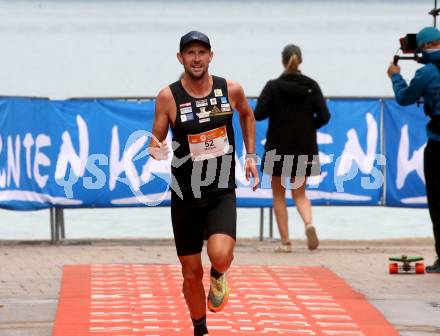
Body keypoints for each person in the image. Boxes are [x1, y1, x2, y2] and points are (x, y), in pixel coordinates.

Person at [149, 31, 259, 336]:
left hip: (221, 190)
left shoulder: (230, 90)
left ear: (211, 56)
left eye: (201, 52)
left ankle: (219, 274)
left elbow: (248, 117)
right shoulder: (168, 97)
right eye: (190, 53)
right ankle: (200, 328)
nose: (196, 59)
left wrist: (251, 155)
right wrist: (157, 149)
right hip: (185, 194)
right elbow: (156, 139)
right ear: (180, 58)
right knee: (190, 272)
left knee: (220, 254)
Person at [254, 44, 330, 253]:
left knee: (279, 195)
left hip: (278, 146)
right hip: (304, 146)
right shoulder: (312, 86)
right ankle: (308, 223)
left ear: (282, 61)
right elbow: (325, 115)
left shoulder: (272, 86)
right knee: (300, 194)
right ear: (301, 61)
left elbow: (259, 114)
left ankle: (286, 242)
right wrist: (308, 126)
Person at [387, 26, 440, 273]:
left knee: (438, 204)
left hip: (438, 144)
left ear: (421, 48)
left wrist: (395, 76)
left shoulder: (426, 73)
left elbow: (405, 98)